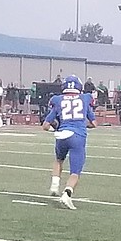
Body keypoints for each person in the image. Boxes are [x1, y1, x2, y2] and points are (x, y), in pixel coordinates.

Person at [42, 75, 97, 210]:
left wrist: (57, 129)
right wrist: (83, 125)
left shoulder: (57, 100)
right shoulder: (85, 99)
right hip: (77, 136)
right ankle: (67, 194)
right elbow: (94, 123)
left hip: (62, 134)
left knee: (59, 160)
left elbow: (45, 125)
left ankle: (55, 184)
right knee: (75, 171)